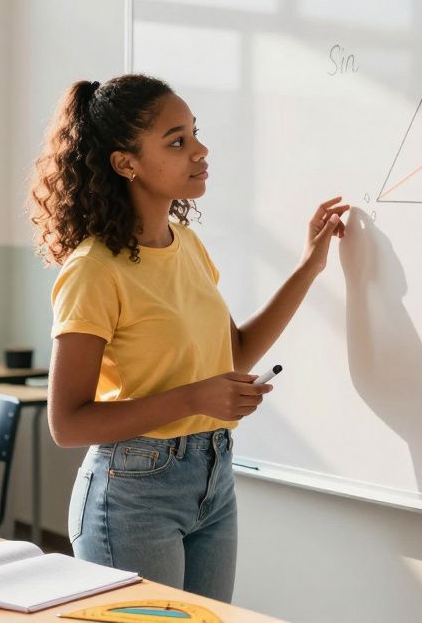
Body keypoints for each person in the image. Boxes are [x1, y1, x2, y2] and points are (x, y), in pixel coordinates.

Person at [29, 74, 346, 601]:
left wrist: (309, 266)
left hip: (213, 477)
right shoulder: (93, 270)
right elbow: (67, 423)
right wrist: (196, 398)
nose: (200, 150)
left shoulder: (188, 246)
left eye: (194, 133)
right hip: (133, 494)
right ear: (125, 163)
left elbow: (234, 353)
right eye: (176, 141)